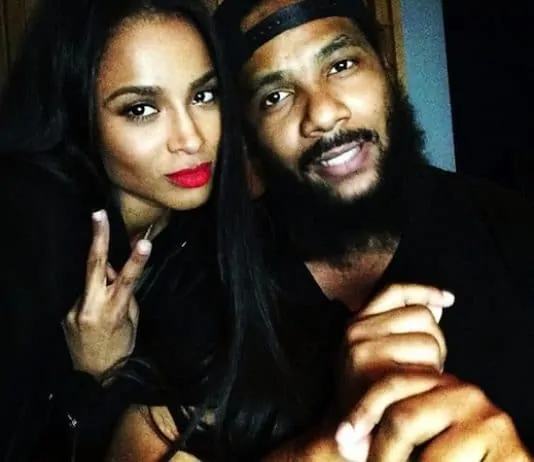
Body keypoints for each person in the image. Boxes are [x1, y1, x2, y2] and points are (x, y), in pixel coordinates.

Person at [109, 0, 534, 460]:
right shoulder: (210, 276)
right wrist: (334, 443)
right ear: (248, 133)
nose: (324, 114)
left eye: (341, 65)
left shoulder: (515, 234)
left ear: (385, 66)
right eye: (275, 96)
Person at [0, 0, 272, 460]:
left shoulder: (205, 233)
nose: (191, 138)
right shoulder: (26, 227)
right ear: (79, 112)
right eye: (142, 108)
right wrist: (91, 377)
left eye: (203, 96)